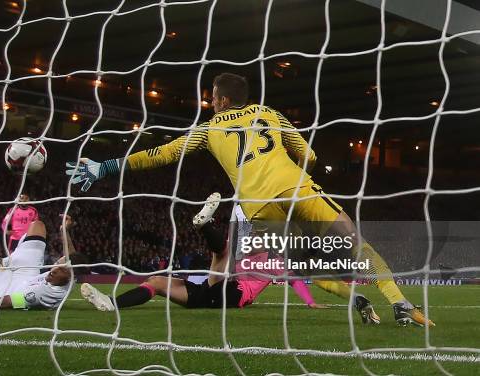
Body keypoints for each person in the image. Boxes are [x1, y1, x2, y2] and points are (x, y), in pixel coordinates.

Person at [68, 73, 433, 327]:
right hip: (295, 189)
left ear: (224, 100)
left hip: (258, 209)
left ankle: (343, 291)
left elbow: (163, 154)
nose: (211, 101)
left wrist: (108, 167)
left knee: (287, 262)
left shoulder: (209, 129)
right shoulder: (268, 113)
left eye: (213, 95)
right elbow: (309, 157)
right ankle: (399, 303)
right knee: (357, 247)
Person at [81, 194, 326, 312]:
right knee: (156, 282)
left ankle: (204, 224)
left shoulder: (274, 260)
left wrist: (311, 302)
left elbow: (295, 281)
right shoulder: (244, 249)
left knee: (223, 256)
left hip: (232, 295)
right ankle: (111, 304)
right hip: (209, 292)